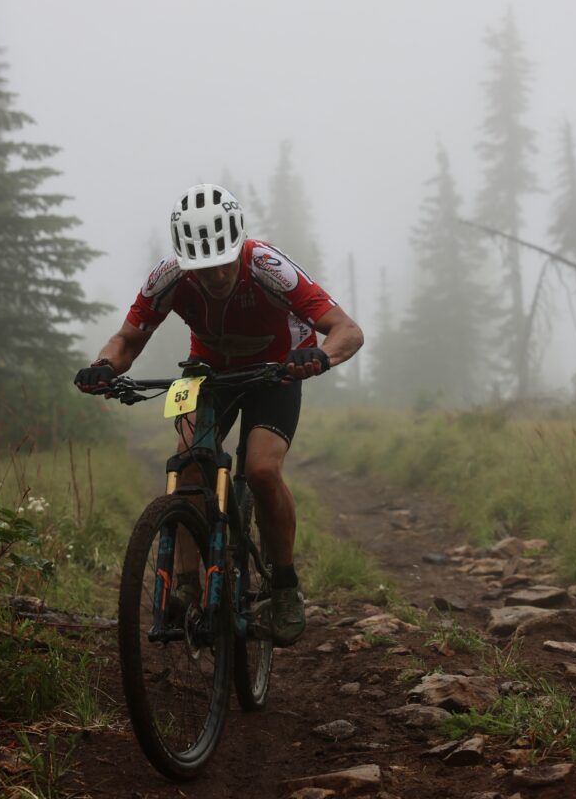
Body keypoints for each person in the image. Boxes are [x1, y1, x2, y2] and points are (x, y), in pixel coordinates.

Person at [75, 182, 363, 646]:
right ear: (185, 260)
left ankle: (284, 585)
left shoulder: (267, 265)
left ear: (238, 245)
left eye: (224, 262)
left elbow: (347, 330)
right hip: (206, 370)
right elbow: (127, 340)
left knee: (262, 470)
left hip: (275, 370)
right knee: (188, 461)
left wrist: (320, 356)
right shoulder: (169, 276)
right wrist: (104, 366)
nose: (216, 275)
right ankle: (188, 586)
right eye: (202, 267)